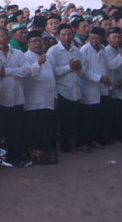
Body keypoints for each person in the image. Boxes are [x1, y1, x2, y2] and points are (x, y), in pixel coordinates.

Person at [0, 26, 31, 167]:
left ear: (8, 37)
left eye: (2, 36)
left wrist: (7, 71)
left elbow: (26, 71)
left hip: (17, 98)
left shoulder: (18, 53)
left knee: (16, 131)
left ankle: (14, 157)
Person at [47, 23, 85, 152]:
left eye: (69, 34)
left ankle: (67, 145)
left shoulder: (76, 51)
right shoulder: (53, 51)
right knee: (59, 121)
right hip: (61, 90)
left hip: (74, 89)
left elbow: (82, 71)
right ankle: (57, 147)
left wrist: (78, 68)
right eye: (63, 34)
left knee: (70, 120)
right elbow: (52, 72)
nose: (66, 37)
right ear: (58, 36)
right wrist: (69, 67)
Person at [22, 30, 58, 164]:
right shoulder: (25, 57)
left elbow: (51, 77)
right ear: (28, 44)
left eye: (40, 41)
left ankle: (46, 152)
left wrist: (54, 96)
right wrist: (38, 63)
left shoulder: (45, 57)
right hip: (33, 101)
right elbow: (29, 74)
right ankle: (35, 154)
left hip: (47, 100)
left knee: (47, 129)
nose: (38, 43)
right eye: (34, 41)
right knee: (34, 130)